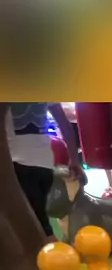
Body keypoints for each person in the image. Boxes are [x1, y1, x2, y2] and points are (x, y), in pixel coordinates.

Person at [7, 102, 85, 242]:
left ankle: (55, 252)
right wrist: (74, 159)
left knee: (38, 223)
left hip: (17, 163)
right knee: (38, 219)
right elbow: (65, 126)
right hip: (45, 164)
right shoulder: (46, 93)